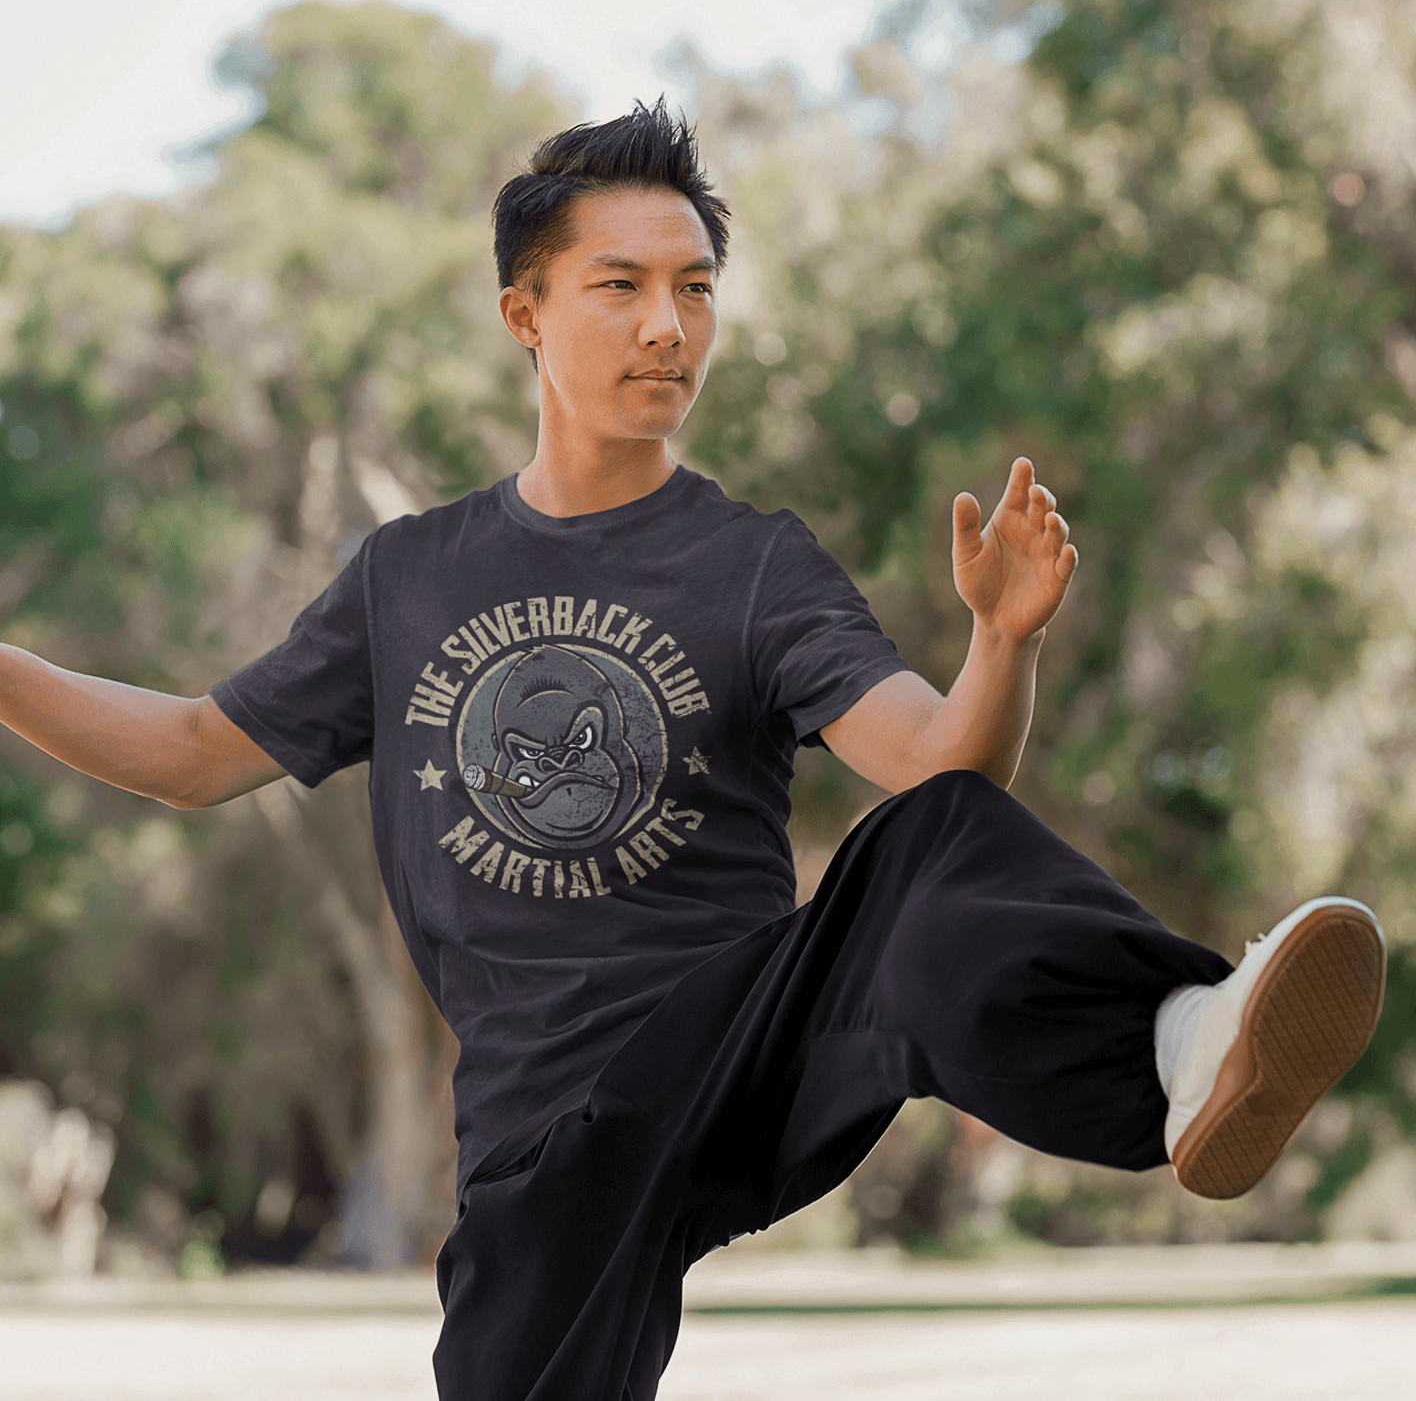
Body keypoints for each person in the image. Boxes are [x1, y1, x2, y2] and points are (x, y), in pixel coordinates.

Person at [0, 100, 1386, 1399]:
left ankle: (1178, 1041)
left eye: (696, 287)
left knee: (925, 846)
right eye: (621, 285)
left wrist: (1002, 643)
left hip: (736, 1047)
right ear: (523, 313)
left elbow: (939, 763)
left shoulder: (754, 566)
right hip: (544, 1140)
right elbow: (188, 750)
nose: (669, 325)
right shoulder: (407, 578)